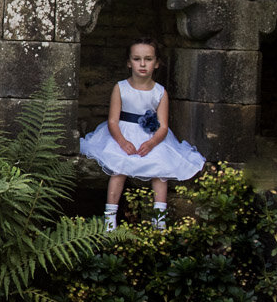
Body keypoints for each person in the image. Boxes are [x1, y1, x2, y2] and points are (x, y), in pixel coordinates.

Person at [79, 37, 205, 230]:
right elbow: (113, 120)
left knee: (161, 169)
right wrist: (122, 142)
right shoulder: (120, 88)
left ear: (156, 63)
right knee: (118, 167)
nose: (143, 64)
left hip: (151, 137)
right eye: (137, 59)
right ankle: (110, 220)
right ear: (129, 62)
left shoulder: (160, 92)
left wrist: (152, 143)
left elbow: (163, 126)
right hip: (121, 134)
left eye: (148, 59)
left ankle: (158, 221)